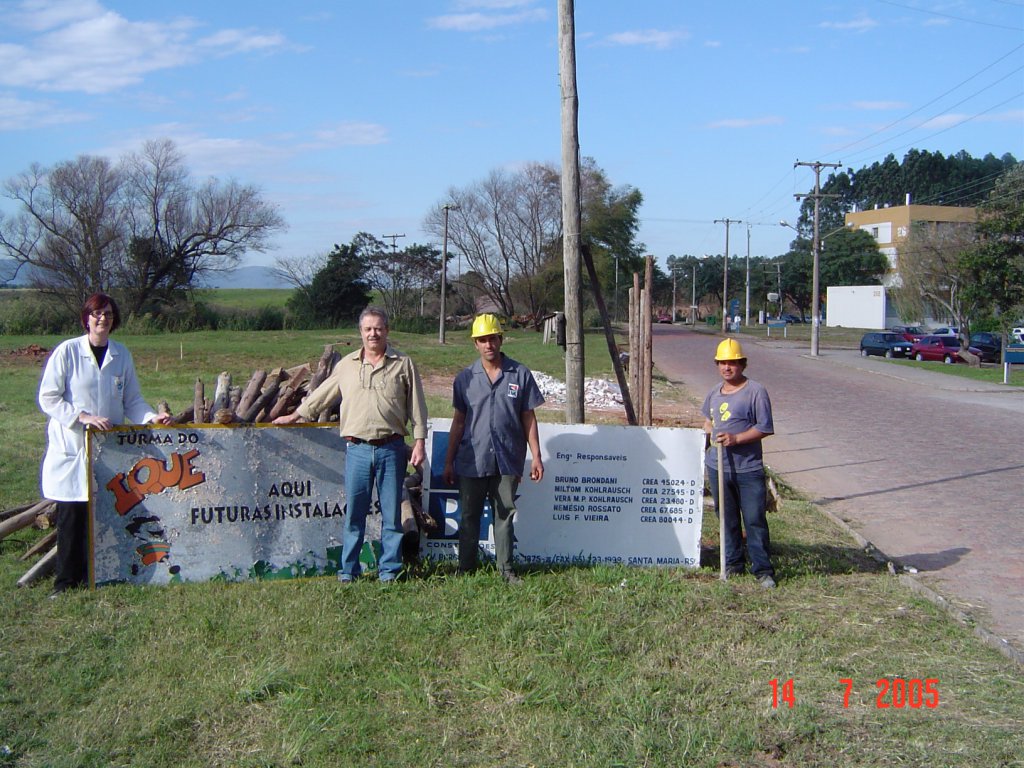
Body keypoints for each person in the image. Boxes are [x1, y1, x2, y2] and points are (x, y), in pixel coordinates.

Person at [275, 307, 427, 583]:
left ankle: (389, 571)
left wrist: (419, 441)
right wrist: (296, 415)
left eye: (378, 328)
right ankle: (349, 571)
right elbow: (323, 394)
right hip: (357, 450)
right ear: (360, 332)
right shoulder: (346, 365)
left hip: (391, 449)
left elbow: (417, 405)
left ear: (387, 331)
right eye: (368, 329)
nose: (373, 334)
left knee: (392, 516)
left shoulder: (403, 364)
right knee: (354, 515)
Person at [38, 292, 172, 597]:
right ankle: (66, 583)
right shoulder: (67, 352)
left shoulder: (121, 355)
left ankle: (101, 574)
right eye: (97, 314)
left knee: (104, 514)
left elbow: (132, 400)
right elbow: (48, 398)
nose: (102, 319)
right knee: (72, 516)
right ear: (86, 319)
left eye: (108, 314)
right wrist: (81, 416)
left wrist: (152, 417)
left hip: (108, 449)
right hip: (74, 446)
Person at [442, 314, 544, 584]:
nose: (488, 344)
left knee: (504, 514)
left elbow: (528, 417)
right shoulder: (465, 378)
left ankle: (506, 570)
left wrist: (537, 457)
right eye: (482, 340)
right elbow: (458, 421)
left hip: (507, 459)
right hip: (471, 460)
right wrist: (449, 461)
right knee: (469, 515)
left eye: (493, 338)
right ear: (475, 343)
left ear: (501, 339)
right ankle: (465, 568)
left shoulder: (520, 374)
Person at [701, 337, 776, 588]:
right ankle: (733, 563)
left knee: (754, 518)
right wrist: (712, 431)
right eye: (722, 363)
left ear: (742, 364)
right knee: (727, 517)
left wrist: (737, 438)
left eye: (732, 363)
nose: (727, 368)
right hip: (718, 466)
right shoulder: (713, 392)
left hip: (748, 468)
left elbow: (764, 428)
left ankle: (763, 570)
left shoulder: (755, 391)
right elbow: (707, 421)